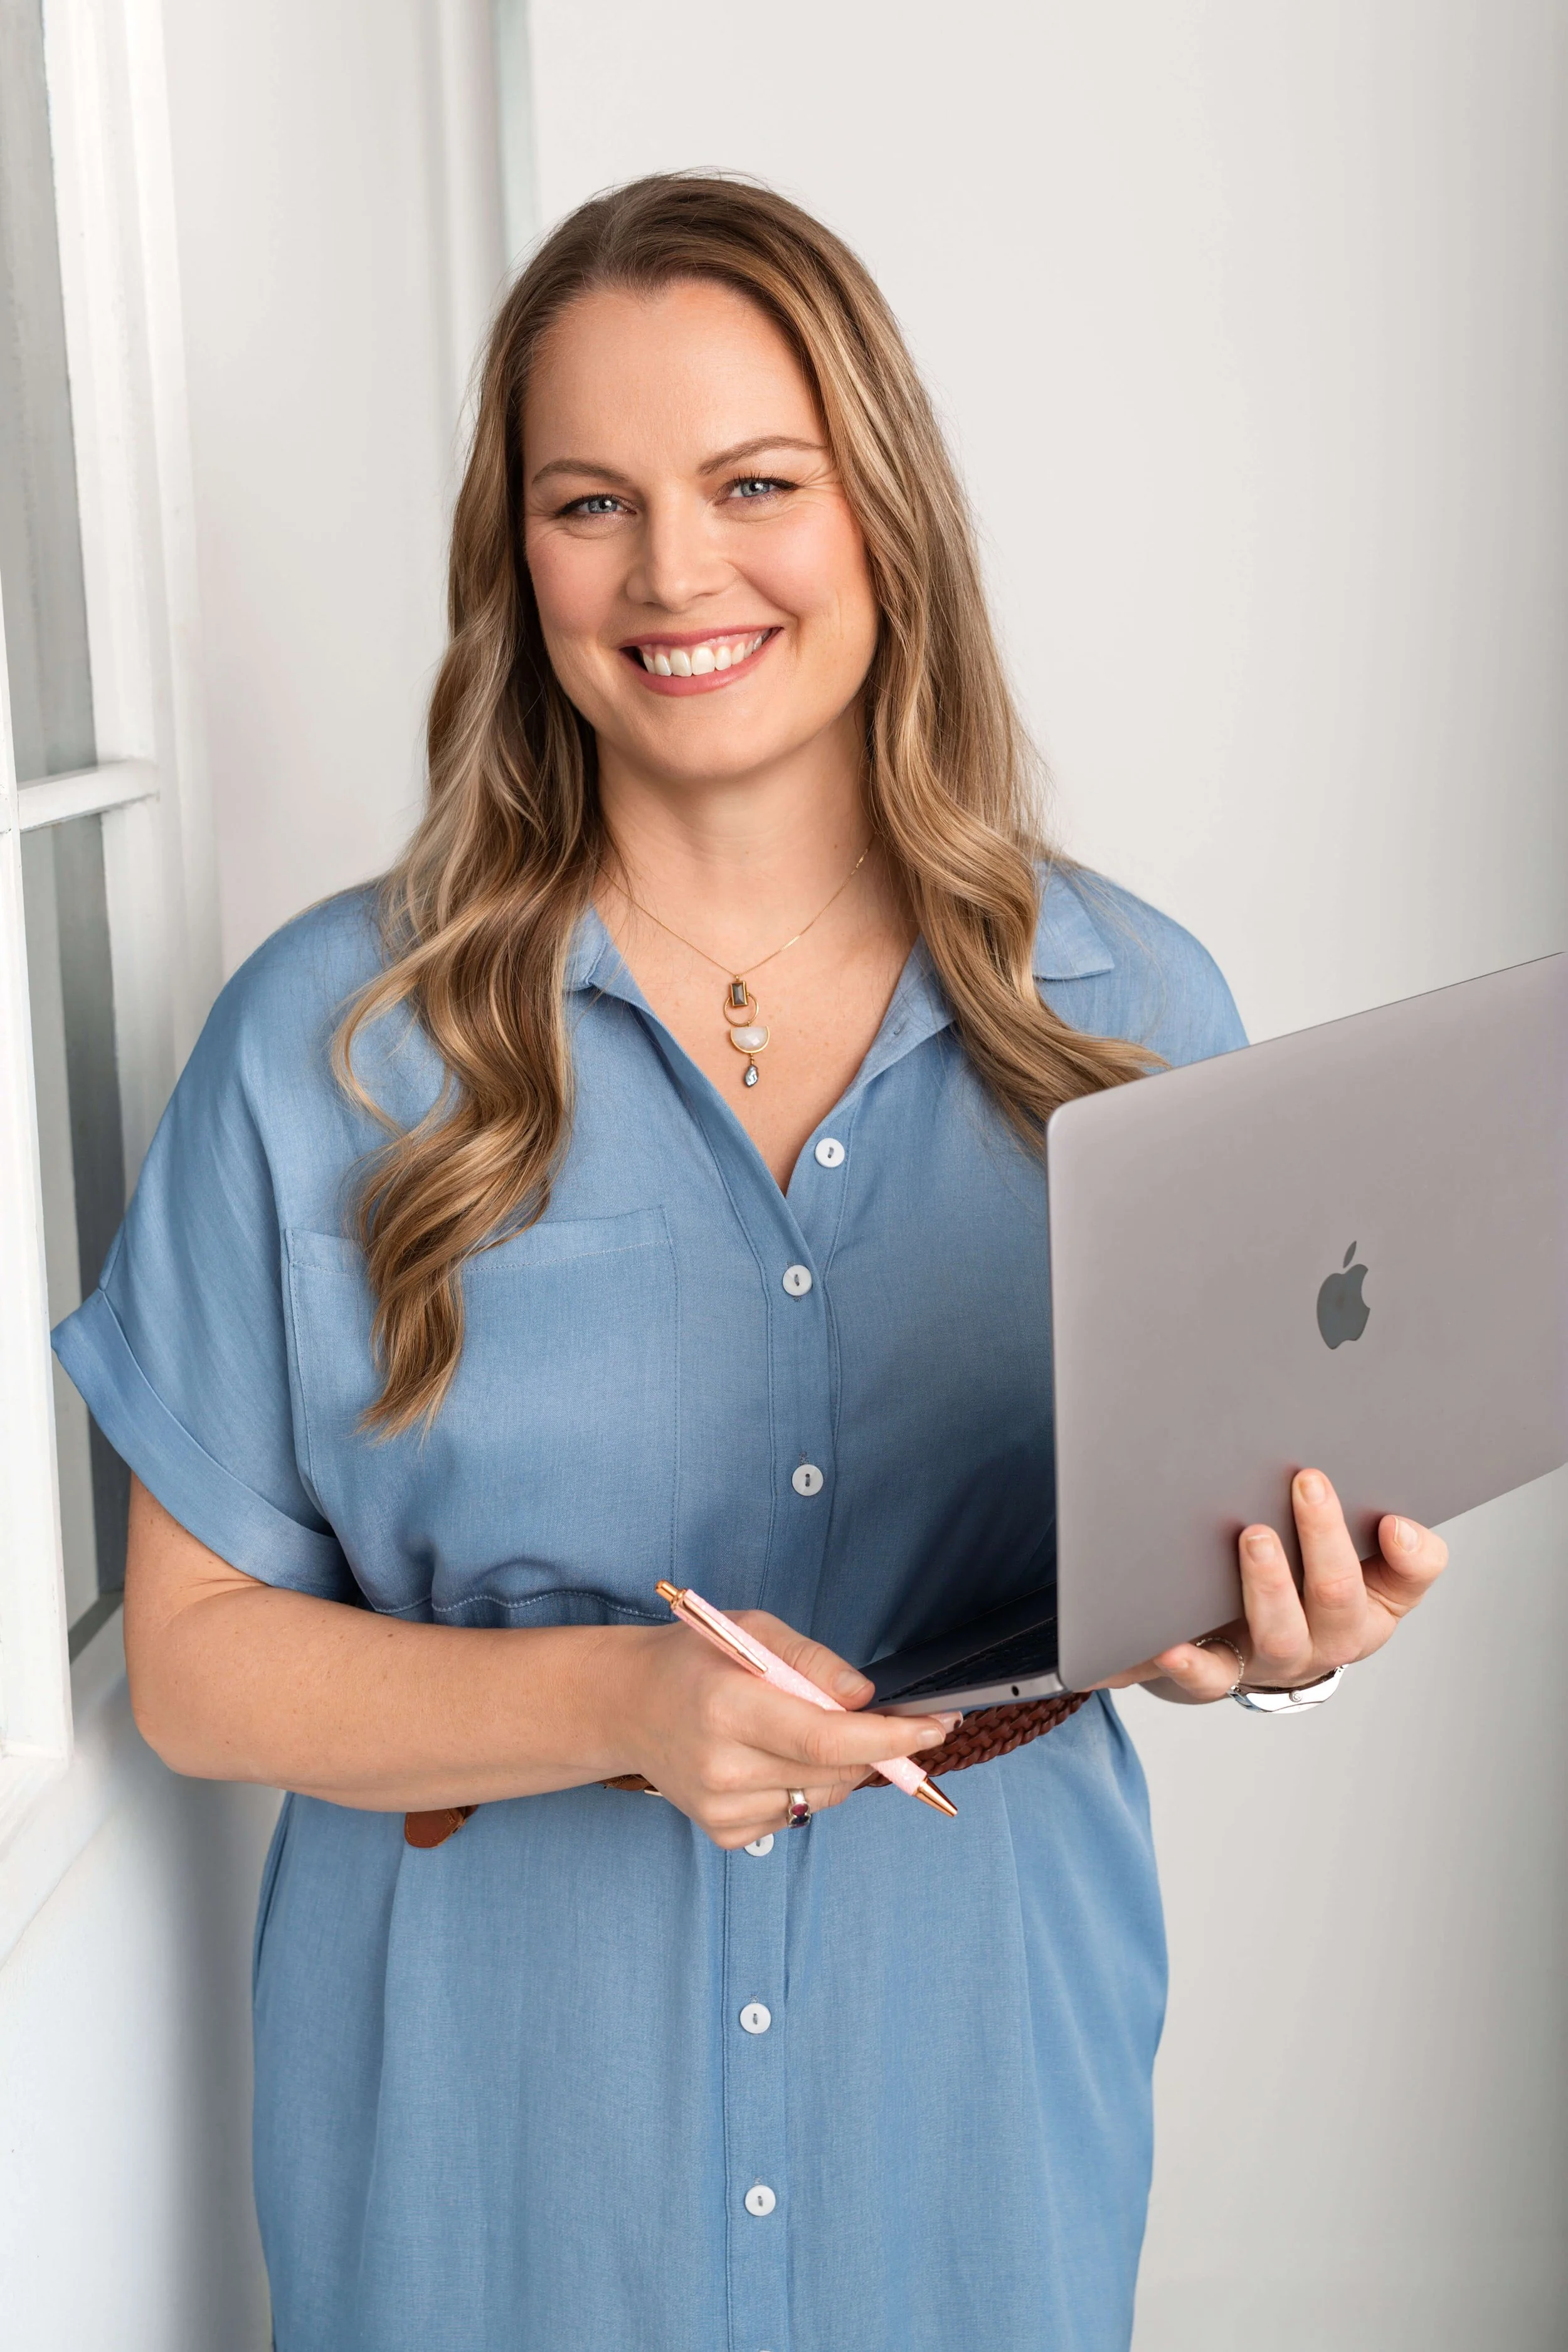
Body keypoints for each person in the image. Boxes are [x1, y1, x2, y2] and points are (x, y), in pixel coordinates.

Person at [55, 175, 1448, 2352]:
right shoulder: (327, 1041)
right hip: (497, 2169)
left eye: (753, 484)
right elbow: (197, 1663)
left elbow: (1213, 1559)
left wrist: (1282, 1638)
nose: (673, 572)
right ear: (515, 555)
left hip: (971, 2119)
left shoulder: (1130, 1014)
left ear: (881, 510)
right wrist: (618, 1700)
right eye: (589, 502)